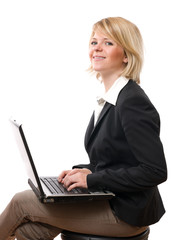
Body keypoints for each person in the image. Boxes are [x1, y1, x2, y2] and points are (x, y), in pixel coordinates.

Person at [0, 17, 167, 240]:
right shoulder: (111, 100)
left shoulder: (132, 102)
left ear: (127, 55)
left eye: (108, 43)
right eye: (93, 42)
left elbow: (154, 171)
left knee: (22, 202)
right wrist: (87, 171)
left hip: (126, 213)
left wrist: (92, 180)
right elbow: (119, 160)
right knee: (29, 231)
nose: (97, 48)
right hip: (111, 200)